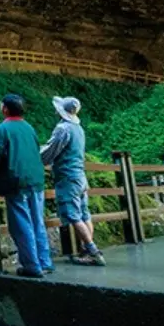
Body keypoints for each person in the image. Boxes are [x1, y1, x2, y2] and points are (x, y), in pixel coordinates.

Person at [0, 93, 52, 278]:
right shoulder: (29, 128)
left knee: (21, 224)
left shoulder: (3, 129)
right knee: (37, 221)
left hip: (16, 180)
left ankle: (31, 265)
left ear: (5, 109)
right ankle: (45, 262)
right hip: (36, 179)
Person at [42, 96, 106, 266]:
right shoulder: (78, 129)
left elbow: (51, 151)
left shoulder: (63, 128)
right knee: (84, 214)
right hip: (80, 176)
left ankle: (93, 251)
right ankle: (86, 250)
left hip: (67, 177)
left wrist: (35, 157)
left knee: (72, 214)